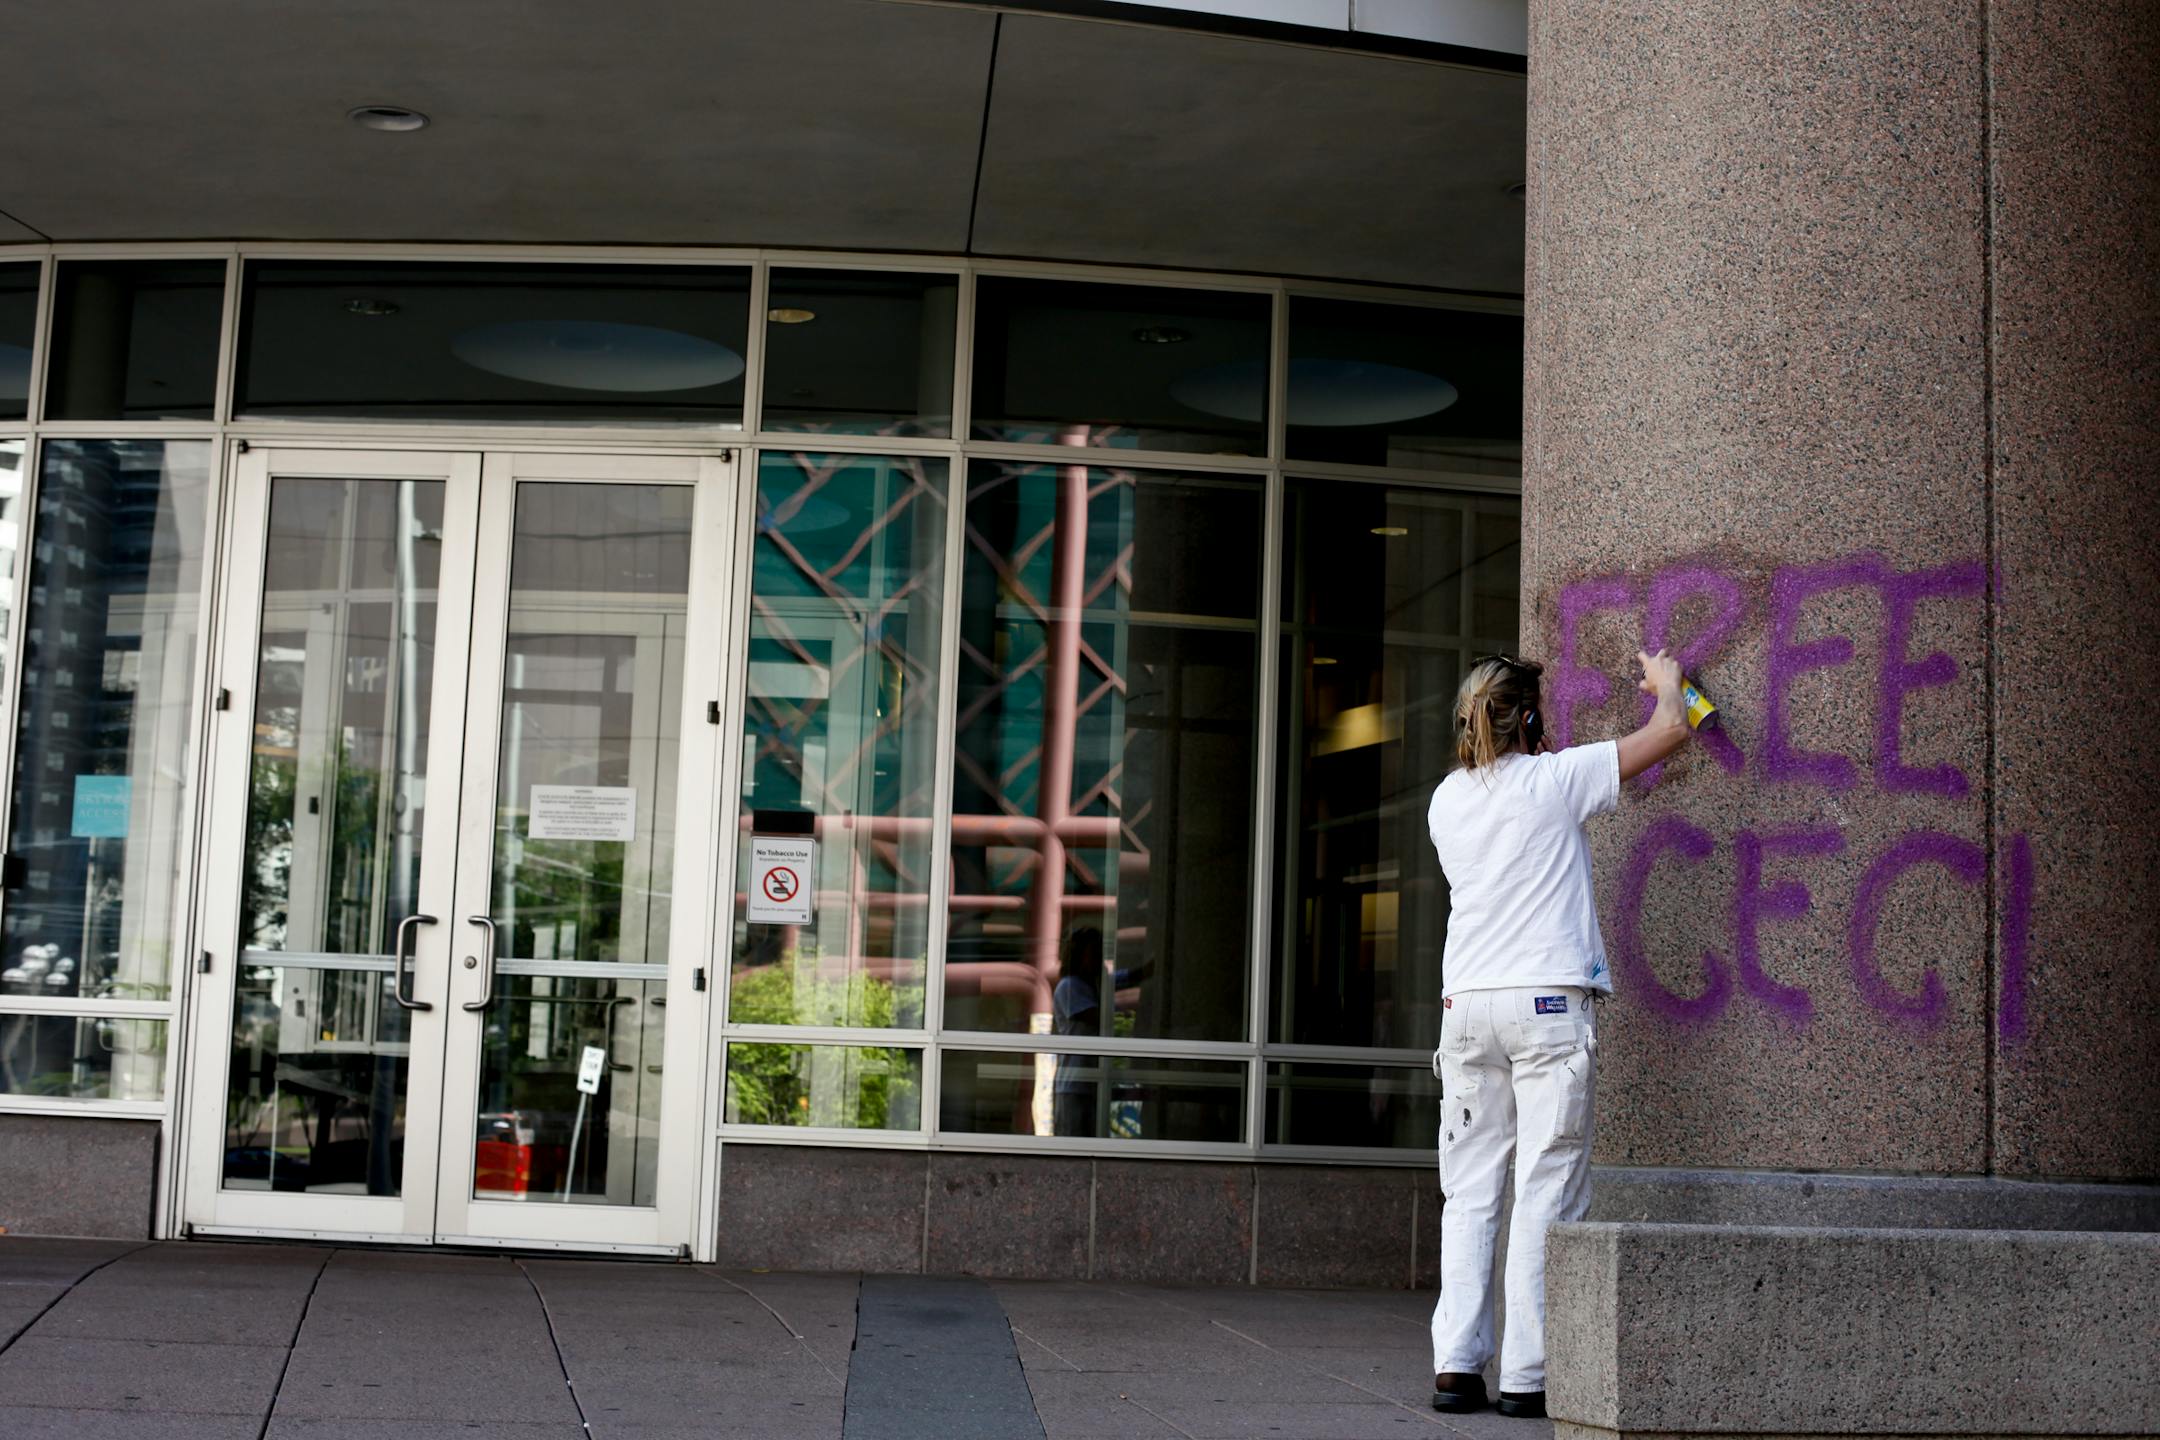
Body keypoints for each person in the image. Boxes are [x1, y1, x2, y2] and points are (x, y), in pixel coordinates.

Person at [1427, 649, 1693, 1419]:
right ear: (1532, 719)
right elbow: (1670, 730)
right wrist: (1664, 680)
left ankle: (1455, 1366)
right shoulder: (1556, 780)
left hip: (1466, 1005)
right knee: (1546, 1183)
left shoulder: (1446, 801)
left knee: (1470, 1192)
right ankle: (1527, 1375)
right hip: (1545, 1005)